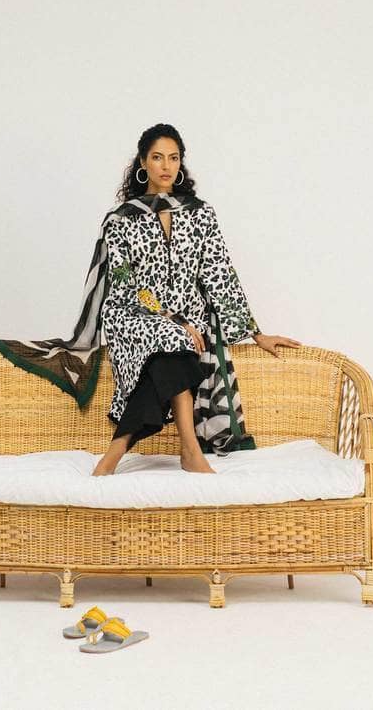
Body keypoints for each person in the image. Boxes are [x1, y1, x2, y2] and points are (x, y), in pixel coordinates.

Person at [92, 123, 302, 476]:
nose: (166, 166)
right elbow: (125, 285)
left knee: (175, 347)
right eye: (157, 157)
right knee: (177, 338)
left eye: (173, 158)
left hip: (187, 320)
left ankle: (114, 454)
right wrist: (171, 318)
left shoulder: (200, 214)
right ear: (142, 162)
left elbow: (220, 274)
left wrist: (256, 332)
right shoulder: (121, 220)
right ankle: (190, 451)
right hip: (132, 315)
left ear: (181, 163)